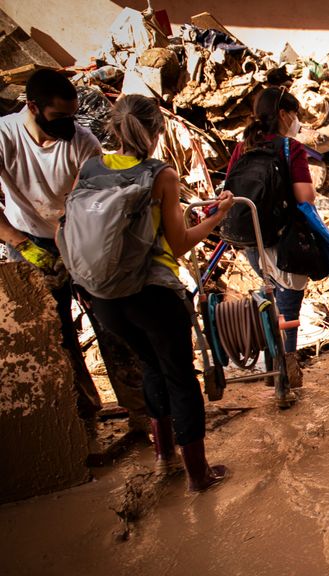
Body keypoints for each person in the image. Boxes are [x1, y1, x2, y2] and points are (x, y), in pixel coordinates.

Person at [85, 94, 234, 491]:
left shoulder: (91, 167)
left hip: (105, 297)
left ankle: (164, 455)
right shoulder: (161, 175)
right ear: (157, 131)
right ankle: (199, 475)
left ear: (114, 128)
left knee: (153, 368)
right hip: (152, 295)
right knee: (181, 379)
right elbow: (179, 242)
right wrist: (218, 216)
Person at [0, 69, 148, 435]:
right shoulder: (4, 135)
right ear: (32, 107)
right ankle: (82, 420)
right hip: (28, 239)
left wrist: (79, 249)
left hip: (81, 238)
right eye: (59, 117)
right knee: (56, 334)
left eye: (72, 116)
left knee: (112, 324)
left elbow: (93, 204)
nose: (69, 125)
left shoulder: (82, 143)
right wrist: (20, 244)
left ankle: (141, 415)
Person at [227, 86, 313, 390]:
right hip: (284, 242)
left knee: (270, 301)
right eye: (295, 114)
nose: (297, 120)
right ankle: (284, 377)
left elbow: (229, 193)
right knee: (288, 308)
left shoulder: (242, 147)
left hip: (251, 241)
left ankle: (273, 365)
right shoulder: (291, 148)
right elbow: (306, 196)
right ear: (283, 114)